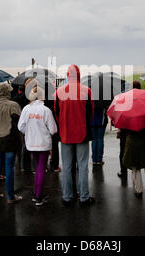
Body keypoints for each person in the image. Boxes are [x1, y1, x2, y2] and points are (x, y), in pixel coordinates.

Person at [54, 64, 95, 206]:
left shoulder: (59, 91)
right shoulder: (86, 91)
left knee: (66, 166)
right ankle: (84, 197)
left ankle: (67, 196)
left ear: (67, 75)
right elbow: (91, 112)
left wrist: (63, 125)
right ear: (78, 75)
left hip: (65, 133)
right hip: (82, 132)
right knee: (83, 166)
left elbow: (56, 112)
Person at [18, 85, 58, 206]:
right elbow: (53, 130)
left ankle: (36, 193)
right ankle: (38, 196)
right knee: (41, 169)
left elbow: (20, 127)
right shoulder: (46, 110)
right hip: (43, 143)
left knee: (37, 168)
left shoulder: (26, 109)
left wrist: (29, 132)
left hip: (31, 143)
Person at [0, 82, 23, 203]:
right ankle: (10, 196)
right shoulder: (13, 105)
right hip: (9, 139)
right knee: (9, 167)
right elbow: (20, 122)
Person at [122, 124, 145, 198]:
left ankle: (139, 191)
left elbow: (123, 131)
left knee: (135, 168)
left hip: (132, 143)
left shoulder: (127, 114)